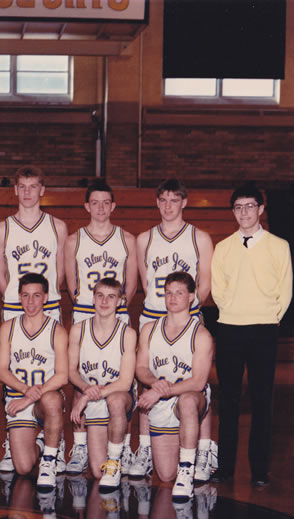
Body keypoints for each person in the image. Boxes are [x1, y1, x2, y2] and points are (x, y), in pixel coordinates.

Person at [130, 179, 214, 482]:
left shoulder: (200, 237)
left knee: (196, 384)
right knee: (146, 379)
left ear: (184, 202)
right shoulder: (144, 239)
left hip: (188, 316)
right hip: (153, 315)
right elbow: (144, 281)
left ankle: (203, 452)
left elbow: (204, 283)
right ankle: (143, 451)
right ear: (157, 203)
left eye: (174, 200)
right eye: (163, 200)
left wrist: (185, 310)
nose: (168, 206)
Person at [210, 185, 292, 486]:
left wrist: (269, 318)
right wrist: (232, 310)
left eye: (249, 206)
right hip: (230, 328)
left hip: (264, 330)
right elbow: (218, 290)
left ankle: (259, 470)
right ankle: (227, 468)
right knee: (229, 401)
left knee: (261, 401)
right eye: (238, 207)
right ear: (233, 211)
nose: (244, 212)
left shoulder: (279, 246)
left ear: (261, 208)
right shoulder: (223, 248)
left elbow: (286, 290)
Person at [0, 167, 68, 474]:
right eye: (22, 186)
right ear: (15, 190)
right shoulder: (2, 229)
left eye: (33, 186)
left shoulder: (58, 226)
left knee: (52, 371)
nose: (27, 192)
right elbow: (0, 272)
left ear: (42, 189)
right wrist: (13, 294)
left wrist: (44, 297)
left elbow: (60, 269)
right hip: (15, 303)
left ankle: (55, 441)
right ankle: (15, 437)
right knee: (12, 369)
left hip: (46, 303)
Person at [63, 179, 138, 474]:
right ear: (86, 206)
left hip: (115, 311)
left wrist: (114, 305)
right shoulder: (74, 240)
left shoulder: (127, 239)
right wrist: (91, 305)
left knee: (123, 381)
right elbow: (71, 284)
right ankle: (79, 445)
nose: (101, 208)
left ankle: (124, 447)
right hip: (86, 310)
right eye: (95, 202)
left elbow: (130, 285)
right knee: (78, 375)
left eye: (106, 202)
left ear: (113, 206)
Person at [135, 272, 213, 502]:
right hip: (161, 401)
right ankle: (186, 456)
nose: (172, 298)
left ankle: (188, 469)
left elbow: (198, 381)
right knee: (166, 474)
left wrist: (159, 390)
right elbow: (140, 368)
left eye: (179, 293)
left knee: (189, 400)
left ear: (191, 297)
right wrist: (153, 384)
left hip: (188, 399)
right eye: (168, 293)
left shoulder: (201, 334)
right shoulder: (149, 329)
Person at [0, 273, 68, 491]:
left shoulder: (57, 330)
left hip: (44, 397)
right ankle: (42, 442)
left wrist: (31, 396)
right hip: (20, 396)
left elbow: (62, 375)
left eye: (36, 296)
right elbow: (1, 370)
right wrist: (26, 392)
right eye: (25, 296)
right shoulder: (8, 327)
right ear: (19, 297)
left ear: (46, 297)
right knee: (23, 467)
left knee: (53, 401)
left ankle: (49, 460)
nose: (30, 302)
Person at [68, 278, 137, 492]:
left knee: (116, 400)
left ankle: (115, 461)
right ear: (93, 298)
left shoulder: (128, 333)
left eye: (111, 297)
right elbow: (71, 371)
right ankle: (86, 448)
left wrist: (87, 395)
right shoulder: (78, 329)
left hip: (117, 398)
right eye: (100, 296)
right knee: (96, 471)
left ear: (120, 301)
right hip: (93, 398)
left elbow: (125, 383)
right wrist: (85, 389)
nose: (104, 301)